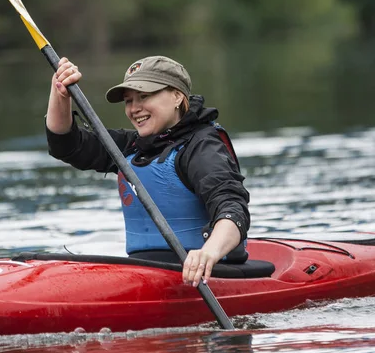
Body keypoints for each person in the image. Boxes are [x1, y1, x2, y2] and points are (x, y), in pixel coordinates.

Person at [45, 55, 250, 289]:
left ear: (177, 96)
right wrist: (60, 94)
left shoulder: (203, 148)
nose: (134, 109)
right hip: (144, 273)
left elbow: (233, 210)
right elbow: (66, 145)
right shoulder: (132, 146)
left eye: (144, 96)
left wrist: (208, 253)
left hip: (204, 275)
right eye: (128, 100)